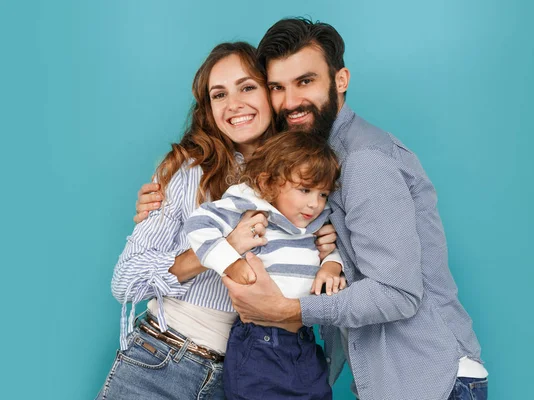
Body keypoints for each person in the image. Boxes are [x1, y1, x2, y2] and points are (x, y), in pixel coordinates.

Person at [138, 18, 491, 400]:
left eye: (305, 82)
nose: (290, 102)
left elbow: (397, 293)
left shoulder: (364, 162)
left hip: (429, 380)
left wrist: (291, 310)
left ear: (340, 80)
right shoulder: (311, 161)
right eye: (277, 87)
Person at [97, 41, 339, 400]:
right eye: (218, 94)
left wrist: (328, 254)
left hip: (248, 373)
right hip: (162, 360)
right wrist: (222, 249)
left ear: (271, 94)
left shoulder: (308, 178)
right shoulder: (188, 171)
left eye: (247, 87)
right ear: (208, 109)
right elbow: (126, 283)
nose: (234, 105)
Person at [184, 130, 346, 400]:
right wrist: (230, 263)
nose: (314, 203)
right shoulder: (251, 207)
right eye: (305, 189)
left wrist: (331, 266)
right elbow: (199, 225)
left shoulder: (315, 223)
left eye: (322, 194)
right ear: (268, 182)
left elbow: (333, 249)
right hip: (259, 344)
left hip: (304, 342)